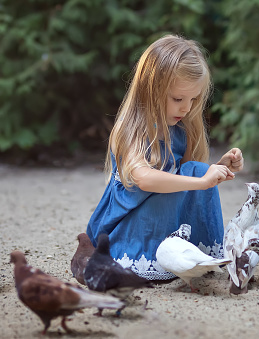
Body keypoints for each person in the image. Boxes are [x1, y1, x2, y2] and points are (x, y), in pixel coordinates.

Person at [86, 34, 244, 280]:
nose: (187, 108)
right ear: (151, 90)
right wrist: (202, 181)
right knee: (193, 177)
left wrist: (216, 170)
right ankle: (146, 256)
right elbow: (145, 180)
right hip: (133, 221)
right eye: (178, 99)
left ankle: (192, 253)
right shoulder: (133, 129)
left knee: (197, 169)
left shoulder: (182, 127)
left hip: (167, 216)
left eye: (194, 99)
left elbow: (185, 175)